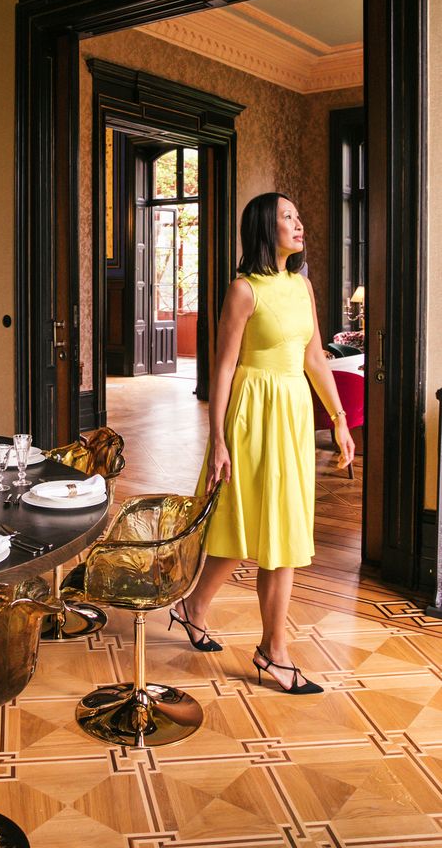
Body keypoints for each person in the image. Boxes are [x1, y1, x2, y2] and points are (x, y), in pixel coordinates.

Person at [169, 192, 355, 695]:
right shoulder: (244, 290)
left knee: (283, 530)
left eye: (298, 215)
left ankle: (215, 621)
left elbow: (315, 357)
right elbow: (224, 367)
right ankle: (261, 645)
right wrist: (220, 438)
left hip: (291, 414)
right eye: (287, 218)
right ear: (264, 231)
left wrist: (338, 418)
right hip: (252, 416)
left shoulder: (302, 286)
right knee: (244, 524)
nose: (299, 224)